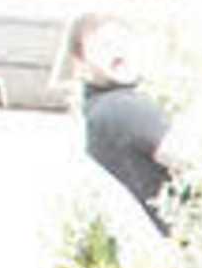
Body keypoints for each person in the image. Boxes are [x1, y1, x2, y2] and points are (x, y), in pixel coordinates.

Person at [68, 13, 175, 224]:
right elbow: (191, 159)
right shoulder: (121, 108)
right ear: (81, 63)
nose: (117, 51)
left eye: (122, 41)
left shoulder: (99, 111)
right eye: (103, 46)